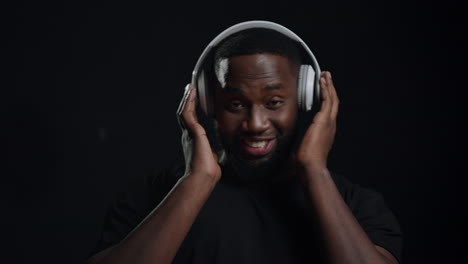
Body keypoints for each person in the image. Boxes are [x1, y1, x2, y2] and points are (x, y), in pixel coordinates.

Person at [86, 22, 402, 264]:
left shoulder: (355, 203)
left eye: (275, 101)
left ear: (308, 100)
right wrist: (197, 181)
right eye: (235, 104)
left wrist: (315, 171)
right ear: (207, 102)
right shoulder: (153, 196)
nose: (255, 123)